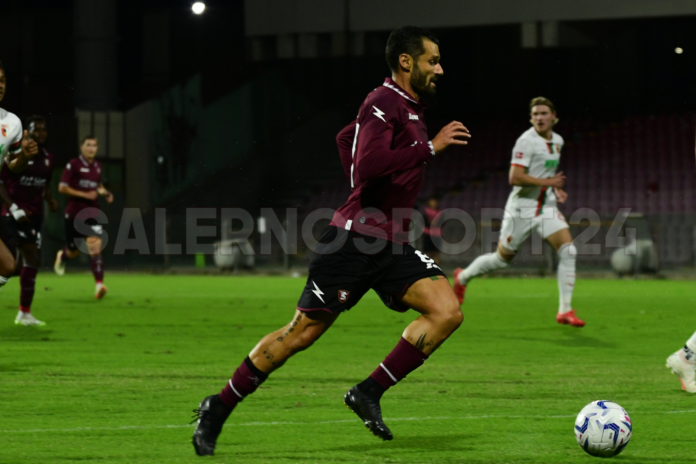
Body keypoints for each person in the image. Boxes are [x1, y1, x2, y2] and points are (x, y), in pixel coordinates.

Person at [191, 25, 471, 456]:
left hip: (391, 243)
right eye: (433, 60)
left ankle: (368, 392)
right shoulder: (382, 101)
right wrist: (427, 150)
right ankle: (218, 406)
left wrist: (367, 187)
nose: (440, 68)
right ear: (405, 62)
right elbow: (369, 160)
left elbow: (346, 139)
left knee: (447, 311)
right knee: (300, 334)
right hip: (352, 243)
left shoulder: (411, 109)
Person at [453, 97, 585, 328]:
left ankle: (565, 310)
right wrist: (548, 181)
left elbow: (545, 172)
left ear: (554, 117)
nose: (539, 118)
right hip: (521, 209)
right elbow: (515, 178)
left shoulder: (558, 141)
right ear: (531, 118)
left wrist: (554, 187)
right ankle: (462, 277)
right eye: (535, 114)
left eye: (544, 113)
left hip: (545, 207)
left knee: (569, 251)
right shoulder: (526, 141)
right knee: (501, 260)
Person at [0, 115, 58, 325]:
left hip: (33, 216)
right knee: (29, 259)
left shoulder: (49, 158)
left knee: (18, 265)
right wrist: (14, 208)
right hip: (13, 215)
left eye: (44, 130)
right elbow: (1, 183)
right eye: (36, 129)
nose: (40, 133)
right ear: (27, 131)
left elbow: (45, 183)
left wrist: (50, 201)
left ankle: (24, 311)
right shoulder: (16, 155)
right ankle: (24, 312)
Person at [0, 60, 40, 325]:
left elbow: (12, 165)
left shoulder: (11, 122)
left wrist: (24, 157)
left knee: (7, 266)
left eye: (2, 80)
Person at [54, 136, 113, 299]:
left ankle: (99, 285)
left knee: (95, 247)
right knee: (73, 251)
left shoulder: (98, 166)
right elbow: (62, 187)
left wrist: (104, 193)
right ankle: (63, 255)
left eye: (94, 145)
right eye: (88, 145)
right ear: (82, 147)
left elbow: (97, 185)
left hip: (92, 213)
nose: (91, 148)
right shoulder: (73, 164)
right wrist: (85, 194)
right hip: (73, 213)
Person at [421, 195, 442, 265]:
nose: (433, 203)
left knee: (436, 253)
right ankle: (426, 270)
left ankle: (437, 270)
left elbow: (441, 223)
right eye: (432, 201)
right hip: (427, 234)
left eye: (435, 201)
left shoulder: (440, 213)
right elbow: (424, 222)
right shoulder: (425, 212)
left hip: (437, 235)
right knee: (426, 253)